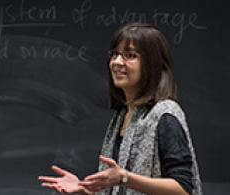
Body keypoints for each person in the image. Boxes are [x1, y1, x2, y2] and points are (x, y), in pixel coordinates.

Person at [38, 23, 202, 195]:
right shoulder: (122, 116)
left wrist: (125, 178)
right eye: (114, 54)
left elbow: (184, 189)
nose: (116, 62)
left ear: (151, 64)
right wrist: (85, 189)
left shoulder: (165, 114)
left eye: (129, 55)